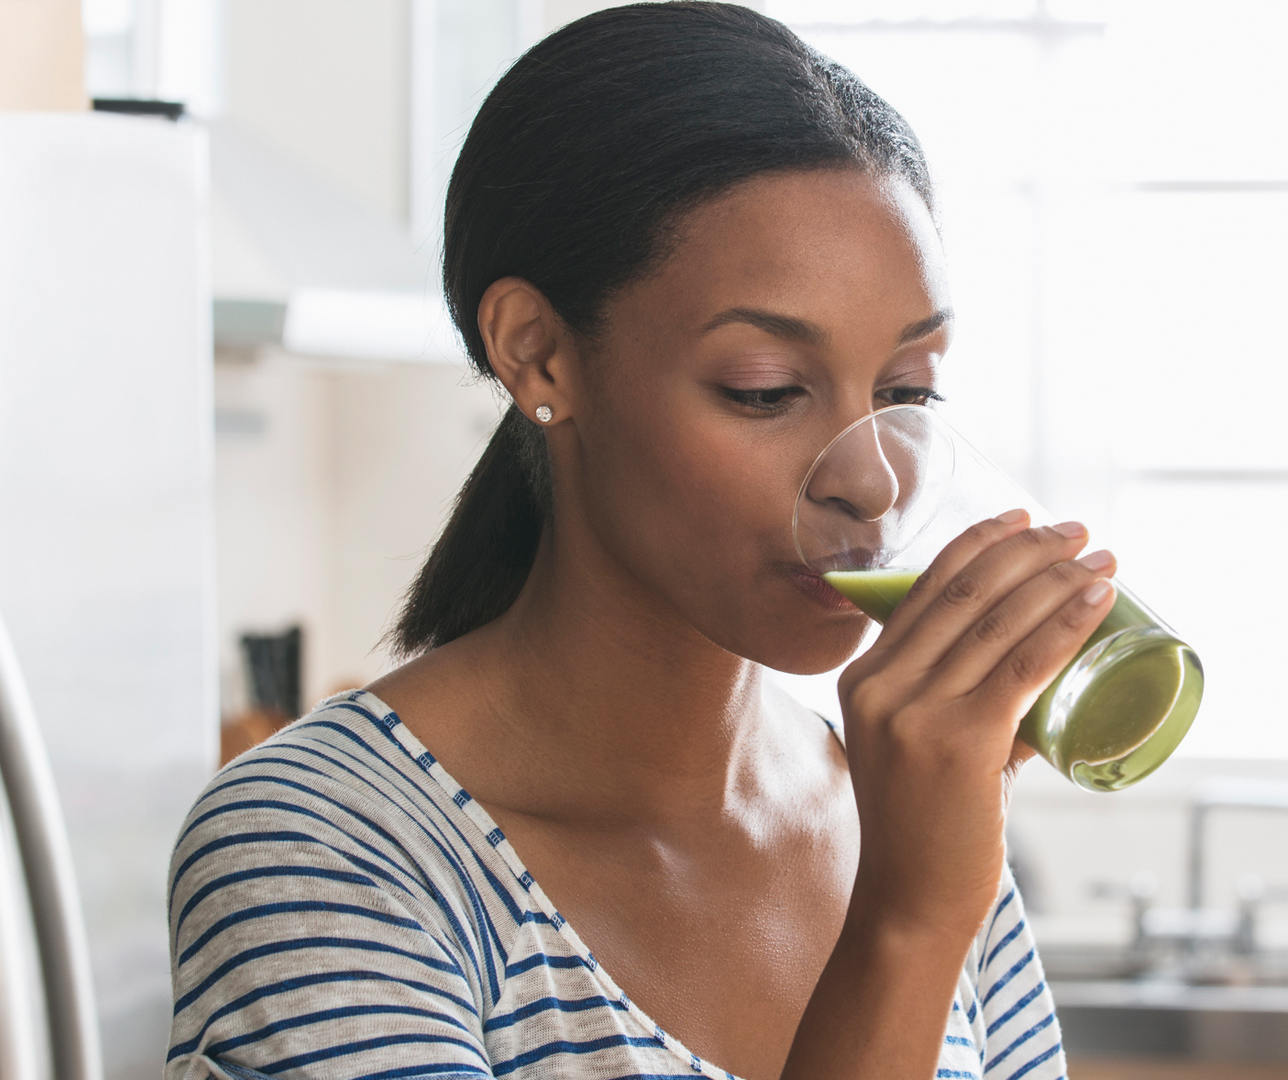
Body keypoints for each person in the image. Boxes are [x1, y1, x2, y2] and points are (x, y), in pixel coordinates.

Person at [167, 4, 1116, 1078]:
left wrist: (931, 885)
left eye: (905, 391)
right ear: (540, 356)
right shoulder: (326, 847)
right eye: (766, 390)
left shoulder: (910, 820)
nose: (871, 477)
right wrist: (902, 925)